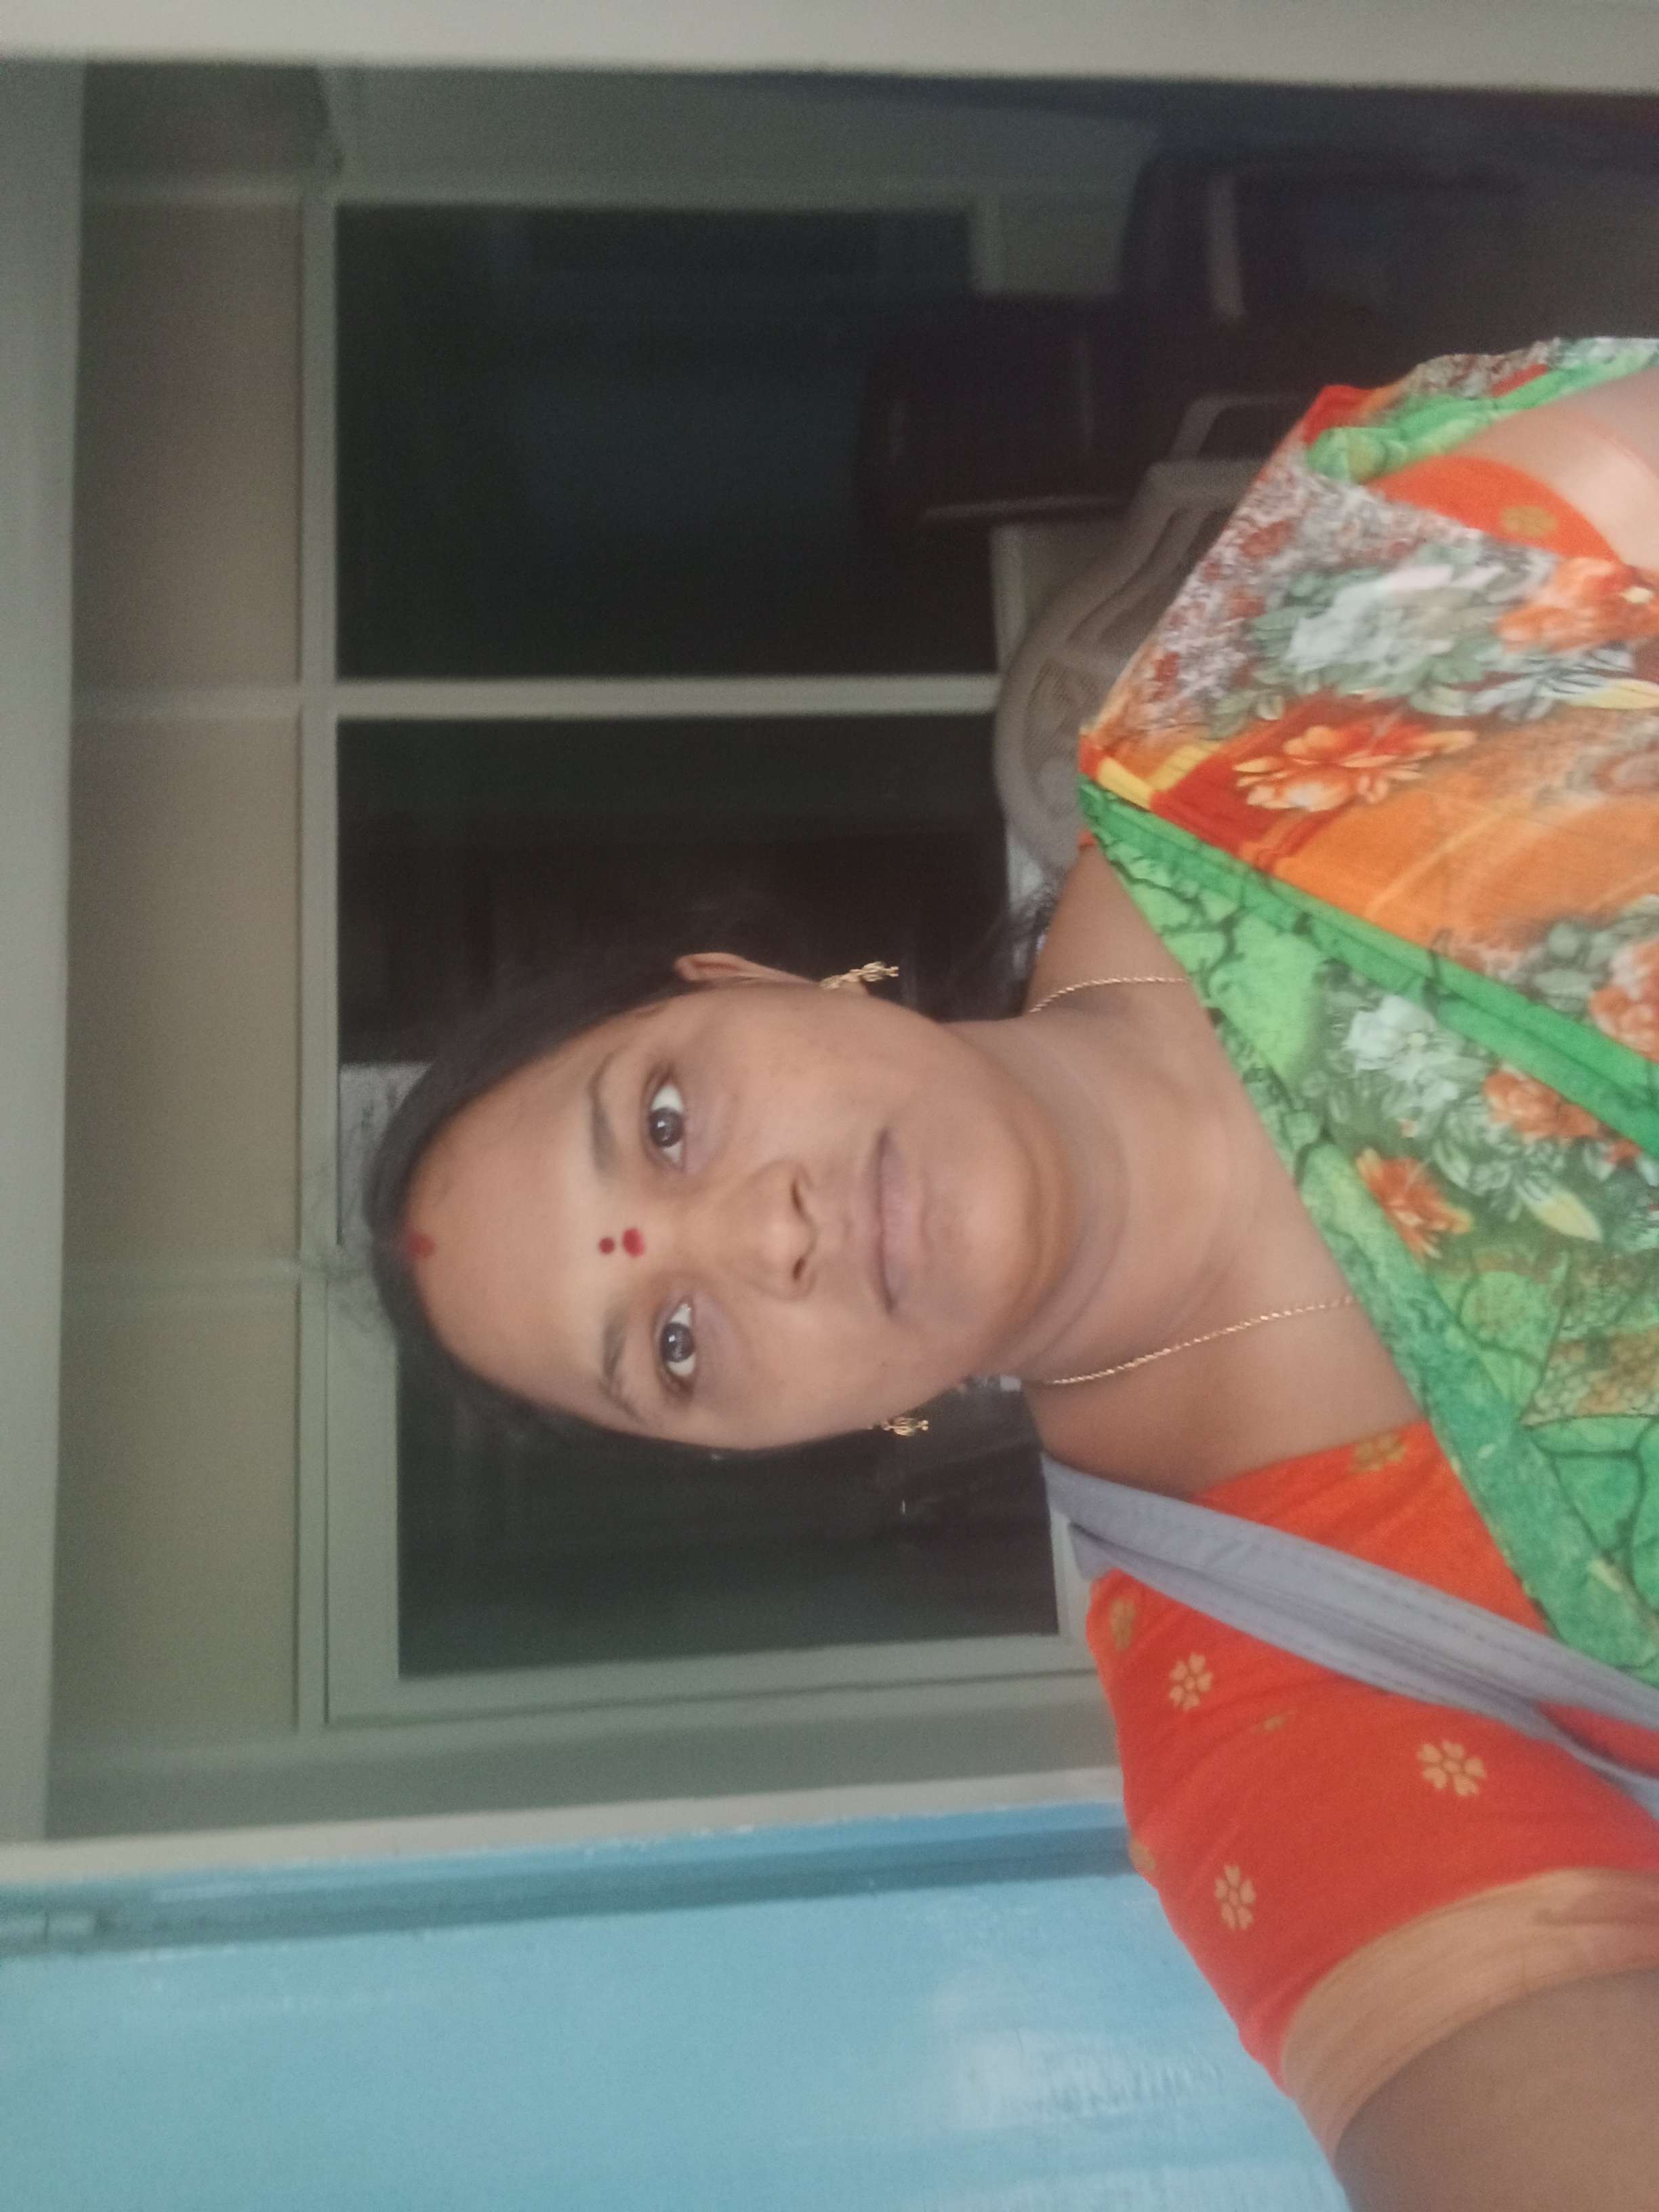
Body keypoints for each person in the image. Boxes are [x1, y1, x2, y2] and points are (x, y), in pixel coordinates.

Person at [369, 340, 1659, 2210]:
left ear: (744, 981)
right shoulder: (1270, 1706)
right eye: (673, 1345)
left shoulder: (1280, 702)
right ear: (776, 1442)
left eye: (663, 1122)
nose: (766, 1234)